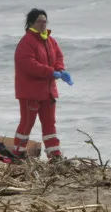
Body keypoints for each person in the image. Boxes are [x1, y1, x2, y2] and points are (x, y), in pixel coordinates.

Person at [13, 8, 73, 160]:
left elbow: (58, 56)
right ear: (32, 23)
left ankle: (54, 154)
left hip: (48, 92)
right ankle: (18, 153)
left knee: (50, 124)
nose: (43, 24)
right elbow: (28, 64)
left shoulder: (50, 41)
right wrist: (50, 72)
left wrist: (60, 69)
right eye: (40, 21)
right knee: (27, 123)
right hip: (30, 92)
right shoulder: (26, 42)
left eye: (45, 21)